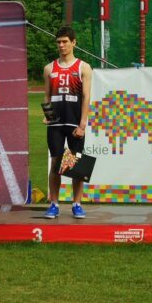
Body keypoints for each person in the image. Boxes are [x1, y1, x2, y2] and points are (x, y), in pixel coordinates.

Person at [42, 26, 92, 219]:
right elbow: (47, 95)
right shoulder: (49, 68)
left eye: (65, 41)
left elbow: (86, 96)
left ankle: (77, 204)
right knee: (55, 164)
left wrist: (82, 124)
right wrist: (47, 114)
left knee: (75, 165)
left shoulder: (83, 67)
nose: (61, 45)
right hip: (55, 124)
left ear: (73, 43)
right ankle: (54, 204)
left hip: (74, 124)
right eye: (58, 42)